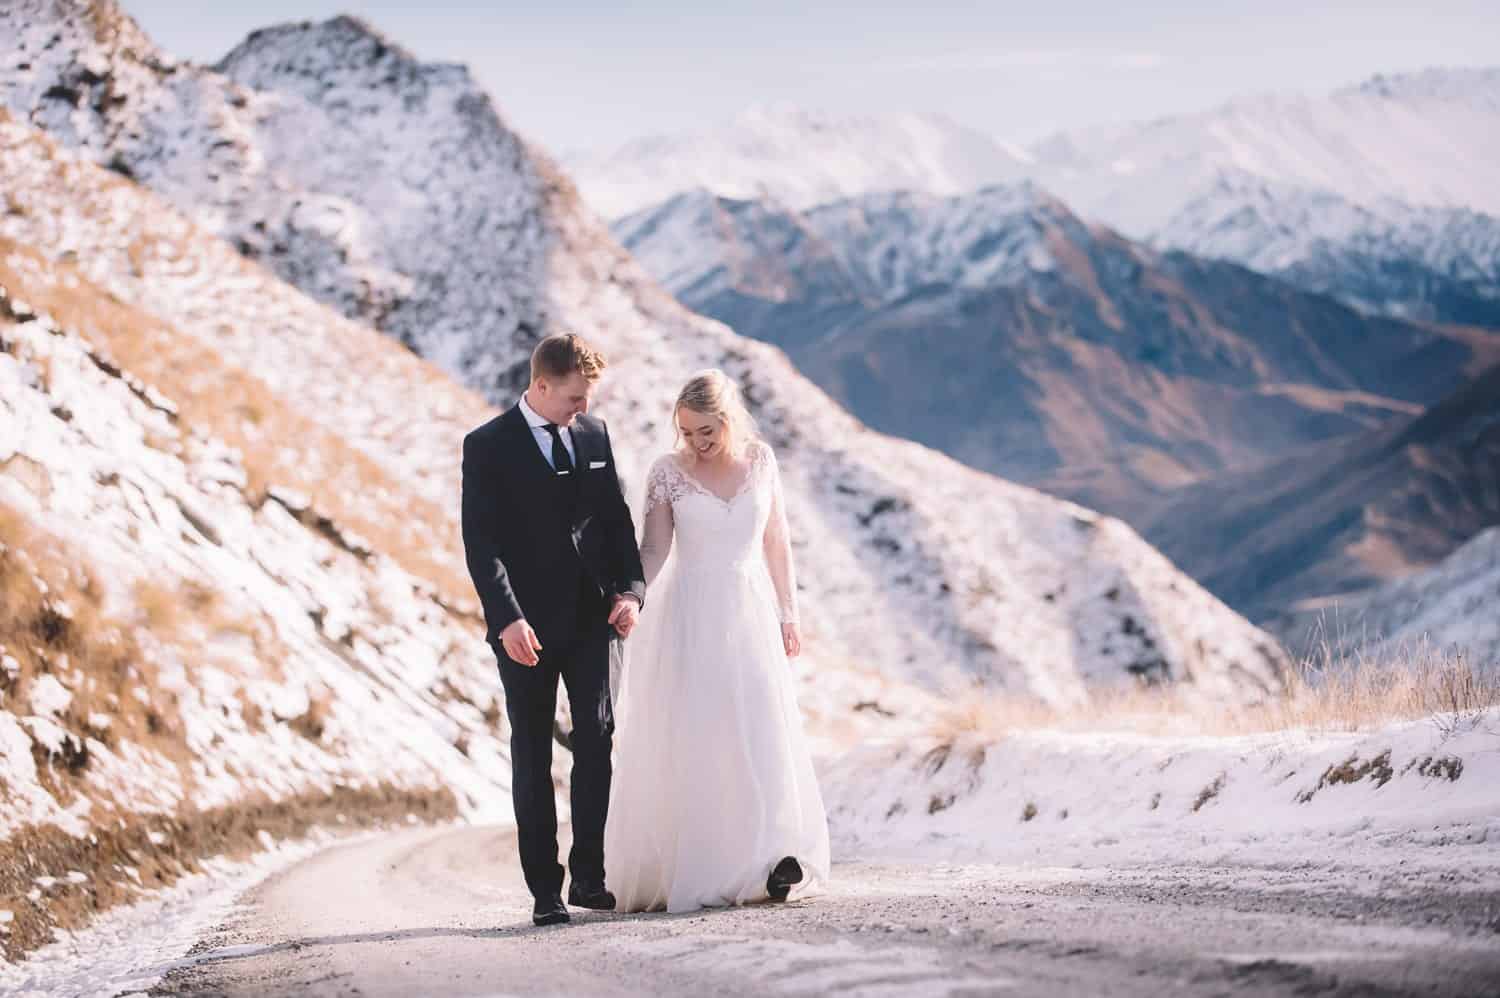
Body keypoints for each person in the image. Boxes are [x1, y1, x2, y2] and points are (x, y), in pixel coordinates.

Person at [605, 369, 830, 913]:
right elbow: (654, 549)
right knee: (704, 736)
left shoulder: (761, 461)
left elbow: (777, 541)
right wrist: (633, 596)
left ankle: (773, 858)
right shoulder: (667, 473)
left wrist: (788, 614)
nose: (696, 443)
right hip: (692, 617)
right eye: (686, 431)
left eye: (706, 431)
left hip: (750, 611)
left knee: (759, 728)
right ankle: (707, 860)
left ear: (729, 420)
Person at [460, 332, 645, 927]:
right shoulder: (486, 446)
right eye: (573, 397)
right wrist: (506, 617)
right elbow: (481, 545)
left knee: (596, 740)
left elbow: (614, 521)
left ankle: (589, 875)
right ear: (540, 386)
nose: (582, 408)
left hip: (595, 619)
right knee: (532, 753)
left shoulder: (594, 435)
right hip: (525, 630)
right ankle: (545, 889)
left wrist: (631, 592)